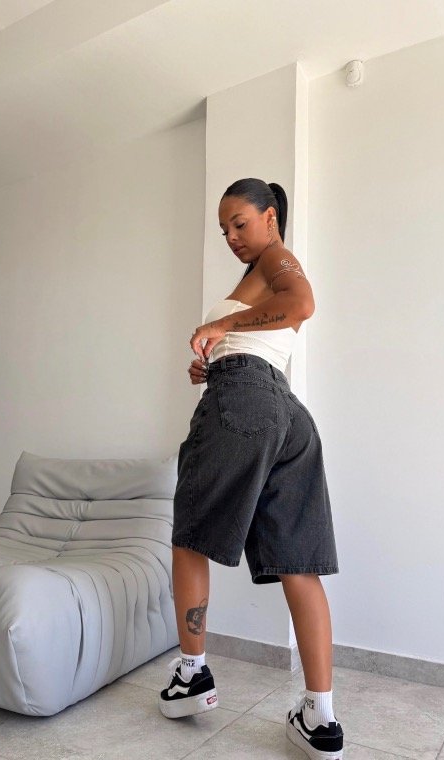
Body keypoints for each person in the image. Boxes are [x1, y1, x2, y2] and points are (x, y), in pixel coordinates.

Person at [159, 178, 343, 760]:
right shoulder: (257, 278)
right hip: (288, 418)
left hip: (246, 401)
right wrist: (214, 360)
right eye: (224, 230)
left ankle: (192, 675)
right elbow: (266, 336)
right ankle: (320, 718)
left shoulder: (275, 258)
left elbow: (302, 304)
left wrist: (222, 330)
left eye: (239, 223)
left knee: (190, 536)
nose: (232, 237)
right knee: (297, 561)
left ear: (269, 217)